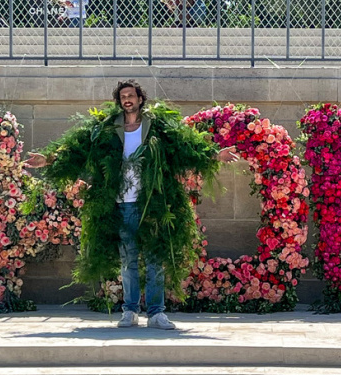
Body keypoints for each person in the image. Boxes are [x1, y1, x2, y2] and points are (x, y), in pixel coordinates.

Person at [25, 80, 238, 330]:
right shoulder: (107, 129)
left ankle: (157, 313)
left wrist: (214, 155)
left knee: (155, 258)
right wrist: (49, 159)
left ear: (140, 99)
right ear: (119, 101)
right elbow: (77, 150)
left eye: (131, 95)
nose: (127, 99)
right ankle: (130, 311)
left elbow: (184, 148)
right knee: (129, 261)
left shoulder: (155, 127)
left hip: (151, 203)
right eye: (123, 96)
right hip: (121, 203)